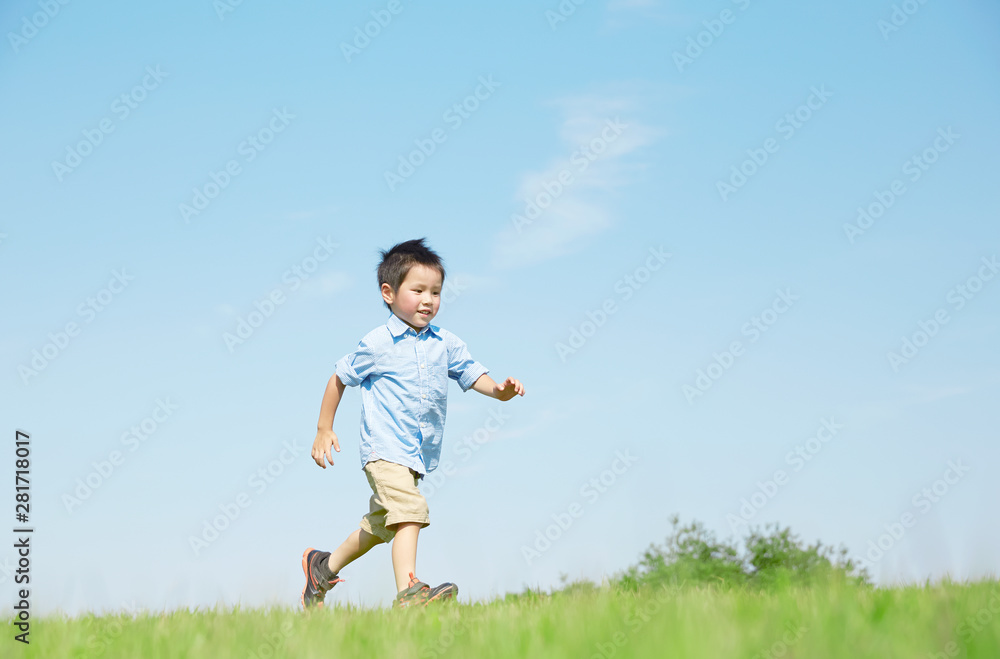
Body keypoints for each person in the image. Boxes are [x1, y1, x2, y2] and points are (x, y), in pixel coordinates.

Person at [301, 238, 525, 609]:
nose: (428, 300)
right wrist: (324, 428)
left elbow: (470, 373)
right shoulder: (377, 343)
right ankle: (410, 590)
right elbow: (339, 377)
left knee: (379, 527)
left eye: (436, 292)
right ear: (388, 293)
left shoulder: (445, 342)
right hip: (383, 448)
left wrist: (499, 392)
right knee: (410, 511)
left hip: (415, 454)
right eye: (418, 290)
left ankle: (321, 568)